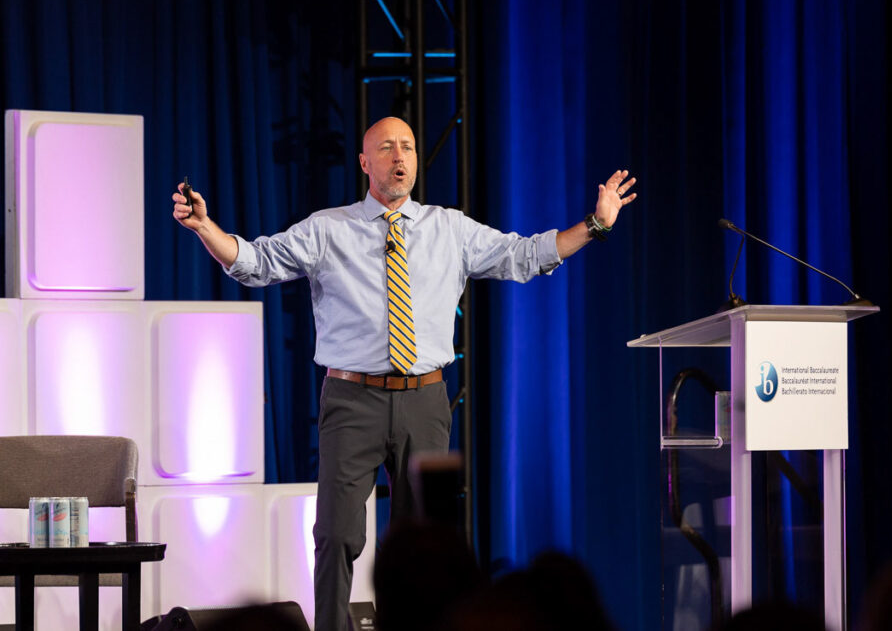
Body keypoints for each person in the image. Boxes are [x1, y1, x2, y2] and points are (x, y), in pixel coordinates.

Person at [171, 117, 637, 631]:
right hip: (352, 400)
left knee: (429, 546)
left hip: (425, 400)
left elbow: (525, 256)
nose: (400, 156)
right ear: (364, 163)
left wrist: (596, 224)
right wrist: (205, 229)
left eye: (409, 147)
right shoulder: (329, 228)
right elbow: (256, 262)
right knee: (337, 535)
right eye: (387, 147)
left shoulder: (450, 227)